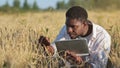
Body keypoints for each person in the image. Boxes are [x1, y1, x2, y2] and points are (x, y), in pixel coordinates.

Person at [39, 6, 111, 68]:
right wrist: (47, 47)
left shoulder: (102, 37)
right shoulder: (66, 29)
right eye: (67, 25)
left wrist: (80, 64)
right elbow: (55, 49)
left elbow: (99, 66)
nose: (68, 30)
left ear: (84, 24)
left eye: (73, 27)